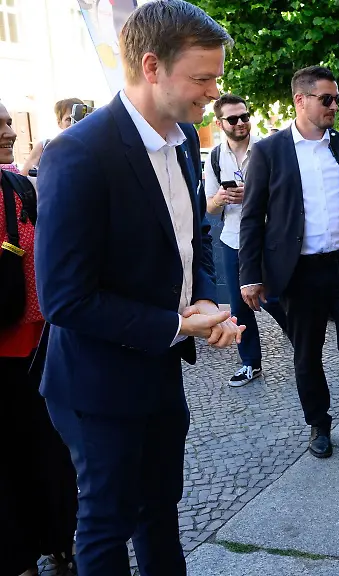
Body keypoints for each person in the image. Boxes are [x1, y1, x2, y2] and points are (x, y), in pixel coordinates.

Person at [34, 2, 241, 575]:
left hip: (158, 371)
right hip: (95, 384)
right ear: (152, 67)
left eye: (215, 77)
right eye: (202, 78)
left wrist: (200, 296)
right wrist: (177, 325)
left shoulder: (180, 143)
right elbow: (64, 298)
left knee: (161, 512)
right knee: (106, 523)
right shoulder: (79, 154)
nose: (213, 91)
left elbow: (191, 238)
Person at [240, 65, 339, 459]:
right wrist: (250, 274)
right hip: (299, 273)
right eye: (327, 99)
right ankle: (318, 423)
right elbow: (252, 217)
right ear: (300, 100)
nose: (335, 106)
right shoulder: (269, 151)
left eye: (337, 98)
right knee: (307, 353)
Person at [0, 103, 78, 576]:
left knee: (51, 451)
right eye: (0, 123)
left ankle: (61, 543)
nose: (9, 131)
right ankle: (16, 556)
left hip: (39, 346)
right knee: (6, 462)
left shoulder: (16, 186)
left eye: (9, 122)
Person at [205, 93, 288, 386]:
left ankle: (298, 334)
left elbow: (286, 197)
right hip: (232, 238)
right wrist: (221, 197)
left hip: (268, 237)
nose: (241, 122)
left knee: (272, 297)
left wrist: (253, 195)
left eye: (245, 116)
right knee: (240, 305)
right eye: (233, 118)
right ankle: (250, 362)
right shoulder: (215, 157)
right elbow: (210, 207)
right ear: (219, 123)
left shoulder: (269, 148)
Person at [21, 98, 85, 175]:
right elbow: (24, 177)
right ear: (59, 123)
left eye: (79, 118)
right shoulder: (44, 146)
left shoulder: (94, 146)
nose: (74, 123)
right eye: (69, 119)